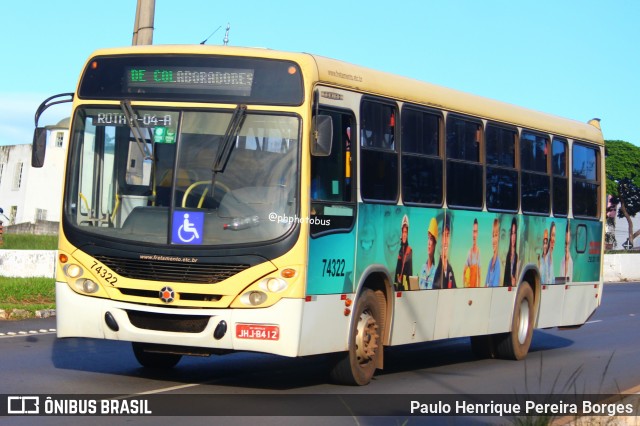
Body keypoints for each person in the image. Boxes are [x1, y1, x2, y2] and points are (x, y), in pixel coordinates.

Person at [434, 213, 457, 289]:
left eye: (448, 235)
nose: (446, 240)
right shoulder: (436, 270)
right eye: (444, 234)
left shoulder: (450, 270)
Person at [419, 217, 438, 289]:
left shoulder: (436, 271)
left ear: (435, 244)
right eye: (428, 238)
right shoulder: (423, 268)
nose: (429, 243)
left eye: (431, 239)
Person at [395, 215, 413, 291]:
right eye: (403, 232)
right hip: (399, 286)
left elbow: (409, 273)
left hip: (405, 288)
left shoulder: (409, 250)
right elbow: (397, 270)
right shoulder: (400, 250)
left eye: (406, 232)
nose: (404, 234)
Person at [464, 218, 481, 287]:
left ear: (478, 233)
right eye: (473, 231)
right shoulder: (469, 253)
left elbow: (479, 275)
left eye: (476, 232)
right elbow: (464, 271)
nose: (474, 235)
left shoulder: (478, 253)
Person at [485, 218, 501, 287]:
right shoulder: (490, 262)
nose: (494, 240)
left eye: (496, 235)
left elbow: (495, 287)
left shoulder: (498, 263)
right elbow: (485, 284)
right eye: (493, 236)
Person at [503, 217, 518, 287]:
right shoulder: (507, 255)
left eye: (515, 233)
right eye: (512, 233)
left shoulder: (516, 256)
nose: (513, 237)